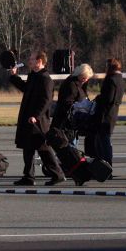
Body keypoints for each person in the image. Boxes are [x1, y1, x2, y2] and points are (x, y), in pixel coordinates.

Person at [10, 51, 65, 186]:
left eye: (32, 59)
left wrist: (36, 115)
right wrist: (14, 76)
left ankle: (58, 174)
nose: (30, 61)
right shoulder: (34, 76)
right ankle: (28, 176)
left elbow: (46, 100)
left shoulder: (45, 79)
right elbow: (26, 88)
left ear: (40, 61)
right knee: (27, 148)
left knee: (43, 148)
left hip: (38, 121)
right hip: (28, 118)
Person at [89, 58, 124, 169]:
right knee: (105, 140)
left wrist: (98, 99)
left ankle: (105, 166)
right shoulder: (120, 80)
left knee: (103, 142)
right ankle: (105, 166)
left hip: (105, 114)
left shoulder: (111, 80)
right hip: (112, 113)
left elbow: (108, 98)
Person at [51, 63, 94, 136]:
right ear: (79, 74)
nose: (86, 80)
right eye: (84, 78)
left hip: (73, 122)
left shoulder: (79, 83)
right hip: (66, 122)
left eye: (87, 78)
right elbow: (67, 102)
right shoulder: (71, 85)